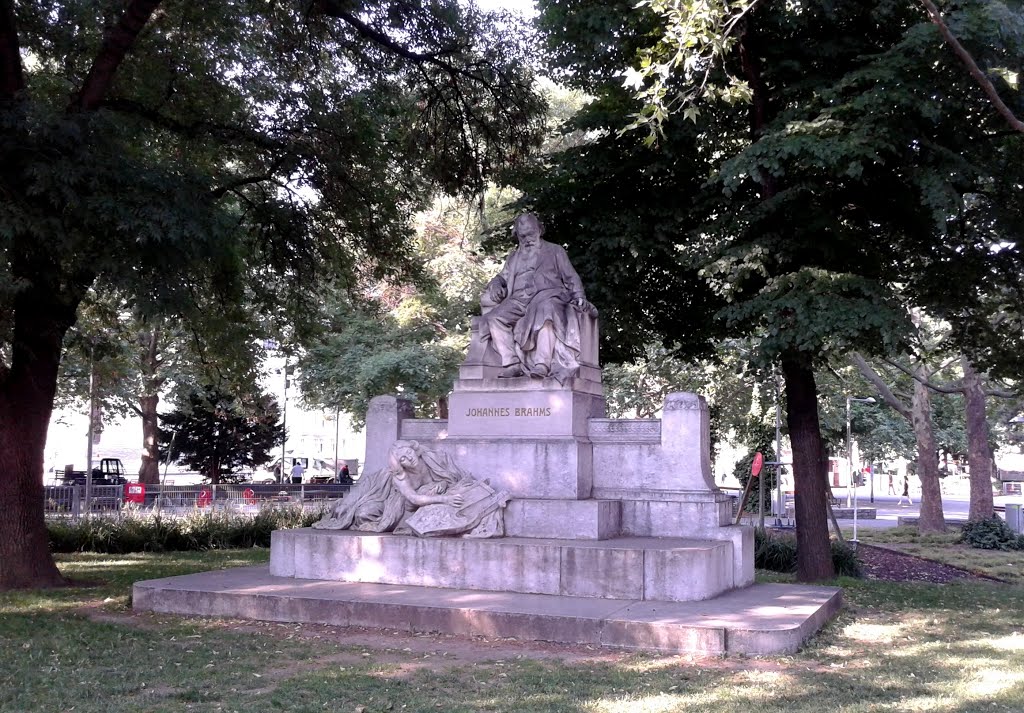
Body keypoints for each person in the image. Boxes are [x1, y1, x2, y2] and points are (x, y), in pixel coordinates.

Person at [478, 213, 597, 383]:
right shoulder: (514, 257)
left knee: (546, 310)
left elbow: (571, 277)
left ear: (539, 230)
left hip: (548, 295)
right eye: (522, 236)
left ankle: (542, 364)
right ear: (518, 236)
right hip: (518, 300)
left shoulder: (555, 251)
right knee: (495, 318)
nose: (527, 239)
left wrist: (579, 296)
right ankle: (511, 364)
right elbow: (502, 277)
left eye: (530, 234)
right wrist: (496, 283)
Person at [314, 440, 508, 537]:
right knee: (363, 512)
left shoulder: (430, 458)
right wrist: (444, 499)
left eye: (409, 452)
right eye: (404, 459)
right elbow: (413, 498)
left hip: (421, 499)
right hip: (391, 498)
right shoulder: (400, 477)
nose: (410, 458)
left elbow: (453, 477)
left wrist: (442, 485)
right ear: (400, 464)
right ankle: (345, 509)